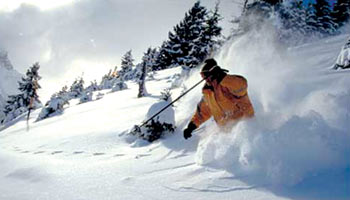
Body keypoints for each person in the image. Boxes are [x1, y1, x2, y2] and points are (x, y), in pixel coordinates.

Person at [183, 58, 254, 139]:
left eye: (205, 75)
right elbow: (202, 112)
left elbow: (241, 87)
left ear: (212, 73)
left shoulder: (227, 84)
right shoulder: (208, 92)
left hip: (245, 128)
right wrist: (191, 127)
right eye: (202, 75)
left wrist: (223, 77)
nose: (204, 79)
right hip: (227, 133)